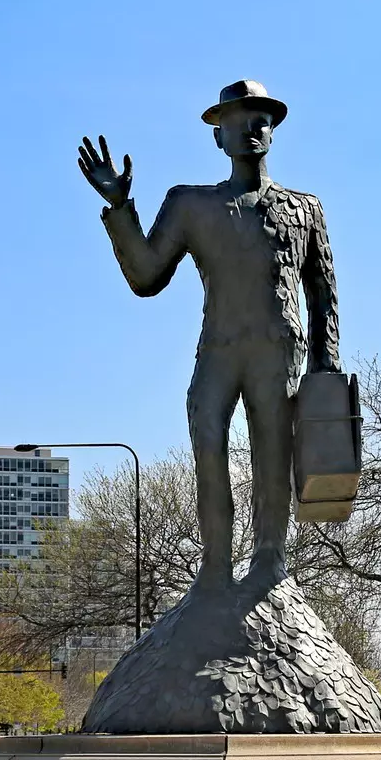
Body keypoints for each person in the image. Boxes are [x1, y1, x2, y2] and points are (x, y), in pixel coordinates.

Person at [78, 80, 340, 590]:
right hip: (219, 349)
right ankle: (215, 565)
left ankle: (269, 561)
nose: (250, 128)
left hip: (278, 350)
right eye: (236, 121)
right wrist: (120, 207)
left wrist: (325, 365)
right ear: (218, 137)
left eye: (260, 119)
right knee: (208, 442)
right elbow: (146, 276)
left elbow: (323, 292)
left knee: (273, 455)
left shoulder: (305, 209)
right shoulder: (190, 205)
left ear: (274, 131)